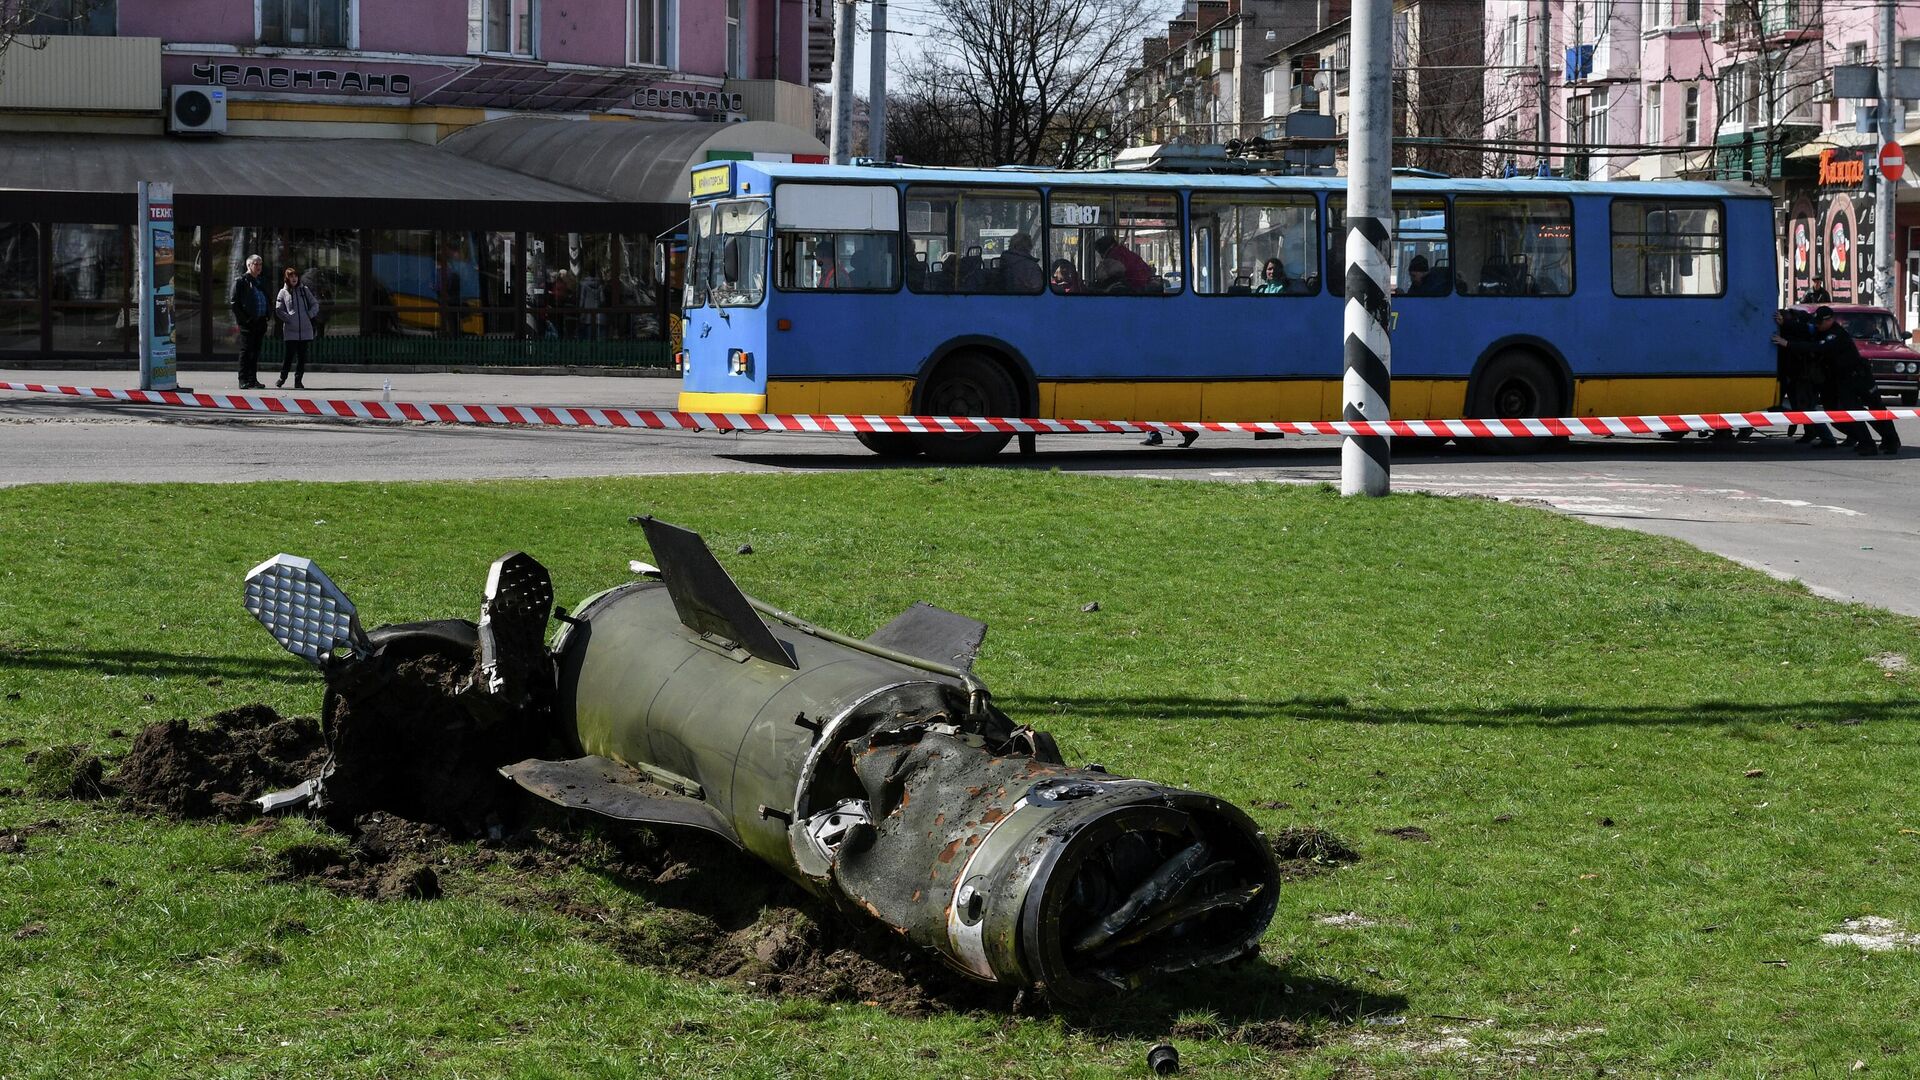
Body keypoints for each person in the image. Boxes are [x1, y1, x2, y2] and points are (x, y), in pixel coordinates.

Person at [1773, 306, 1900, 455]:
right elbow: (1805, 328)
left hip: (1859, 377)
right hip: (1845, 379)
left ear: (1830, 320)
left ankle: (1890, 441)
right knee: (1853, 412)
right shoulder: (1822, 330)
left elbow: (1817, 348)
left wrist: (1787, 344)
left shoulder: (1836, 334)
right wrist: (1784, 323)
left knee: (1876, 409)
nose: (1817, 325)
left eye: (1820, 322)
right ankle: (1866, 442)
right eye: (1817, 322)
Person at [1773, 308, 1833, 446]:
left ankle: (1827, 438)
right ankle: (1810, 432)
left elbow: (1807, 334)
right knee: (1798, 406)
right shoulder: (1793, 327)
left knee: (1807, 408)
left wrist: (1786, 326)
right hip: (1792, 372)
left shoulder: (1804, 325)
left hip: (1804, 373)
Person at [227, 254, 271, 389]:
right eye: (256, 264)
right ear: (248, 265)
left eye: (260, 264)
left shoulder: (260, 281)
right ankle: (243, 379)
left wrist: (267, 314)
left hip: (260, 322)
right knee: (246, 351)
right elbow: (235, 303)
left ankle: (253, 379)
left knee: (255, 352)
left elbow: (266, 298)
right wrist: (245, 320)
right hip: (248, 323)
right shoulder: (241, 281)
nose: (259, 267)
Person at [274, 266, 320, 390]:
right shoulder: (283, 292)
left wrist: (309, 314)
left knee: (301, 358)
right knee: (288, 357)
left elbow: (315, 304)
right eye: (291, 277)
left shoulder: (304, 290)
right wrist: (288, 318)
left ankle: (298, 381)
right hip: (291, 331)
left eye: (295, 276)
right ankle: (282, 378)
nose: (294, 278)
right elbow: (278, 309)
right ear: (287, 279)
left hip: (305, 330)